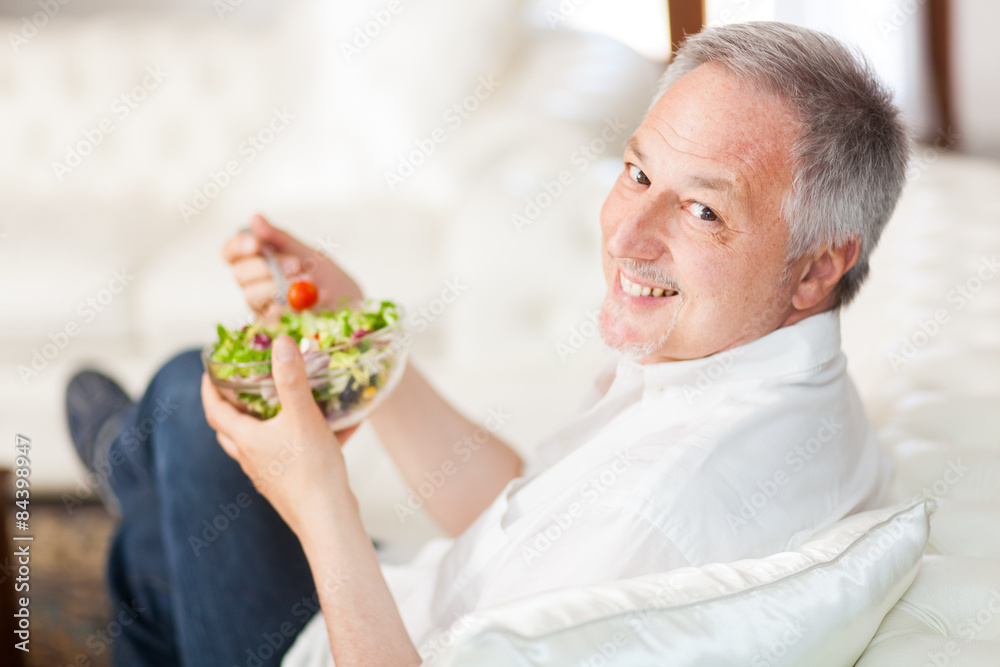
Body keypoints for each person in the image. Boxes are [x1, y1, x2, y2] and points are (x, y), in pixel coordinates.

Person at [65, 21, 910, 667]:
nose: (629, 237)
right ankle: (147, 486)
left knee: (184, 398)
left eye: (703, 211)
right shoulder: (735, 362)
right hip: (416, 591)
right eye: (639, 172)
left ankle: (143, 475)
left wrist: (318, 495)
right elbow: (518, 514)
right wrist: (367, 337)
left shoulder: (673, 504)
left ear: (817, 269)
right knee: (162, 532)